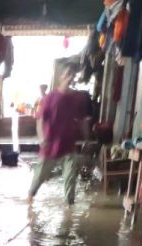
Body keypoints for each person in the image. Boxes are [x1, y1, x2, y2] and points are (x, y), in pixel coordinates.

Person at [28, 65, 92, 206]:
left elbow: (82, 120)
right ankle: (29, 200)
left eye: (72, 74)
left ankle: (69, 210)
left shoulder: (77, 98)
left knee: (70, 178)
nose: (70, 77)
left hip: (69, 145)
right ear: (60, 77)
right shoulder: (50, 98)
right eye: (67, 73)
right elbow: (40, 120)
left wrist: (87, 138)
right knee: (39, 177)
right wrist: (41, 138)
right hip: (50, 145)